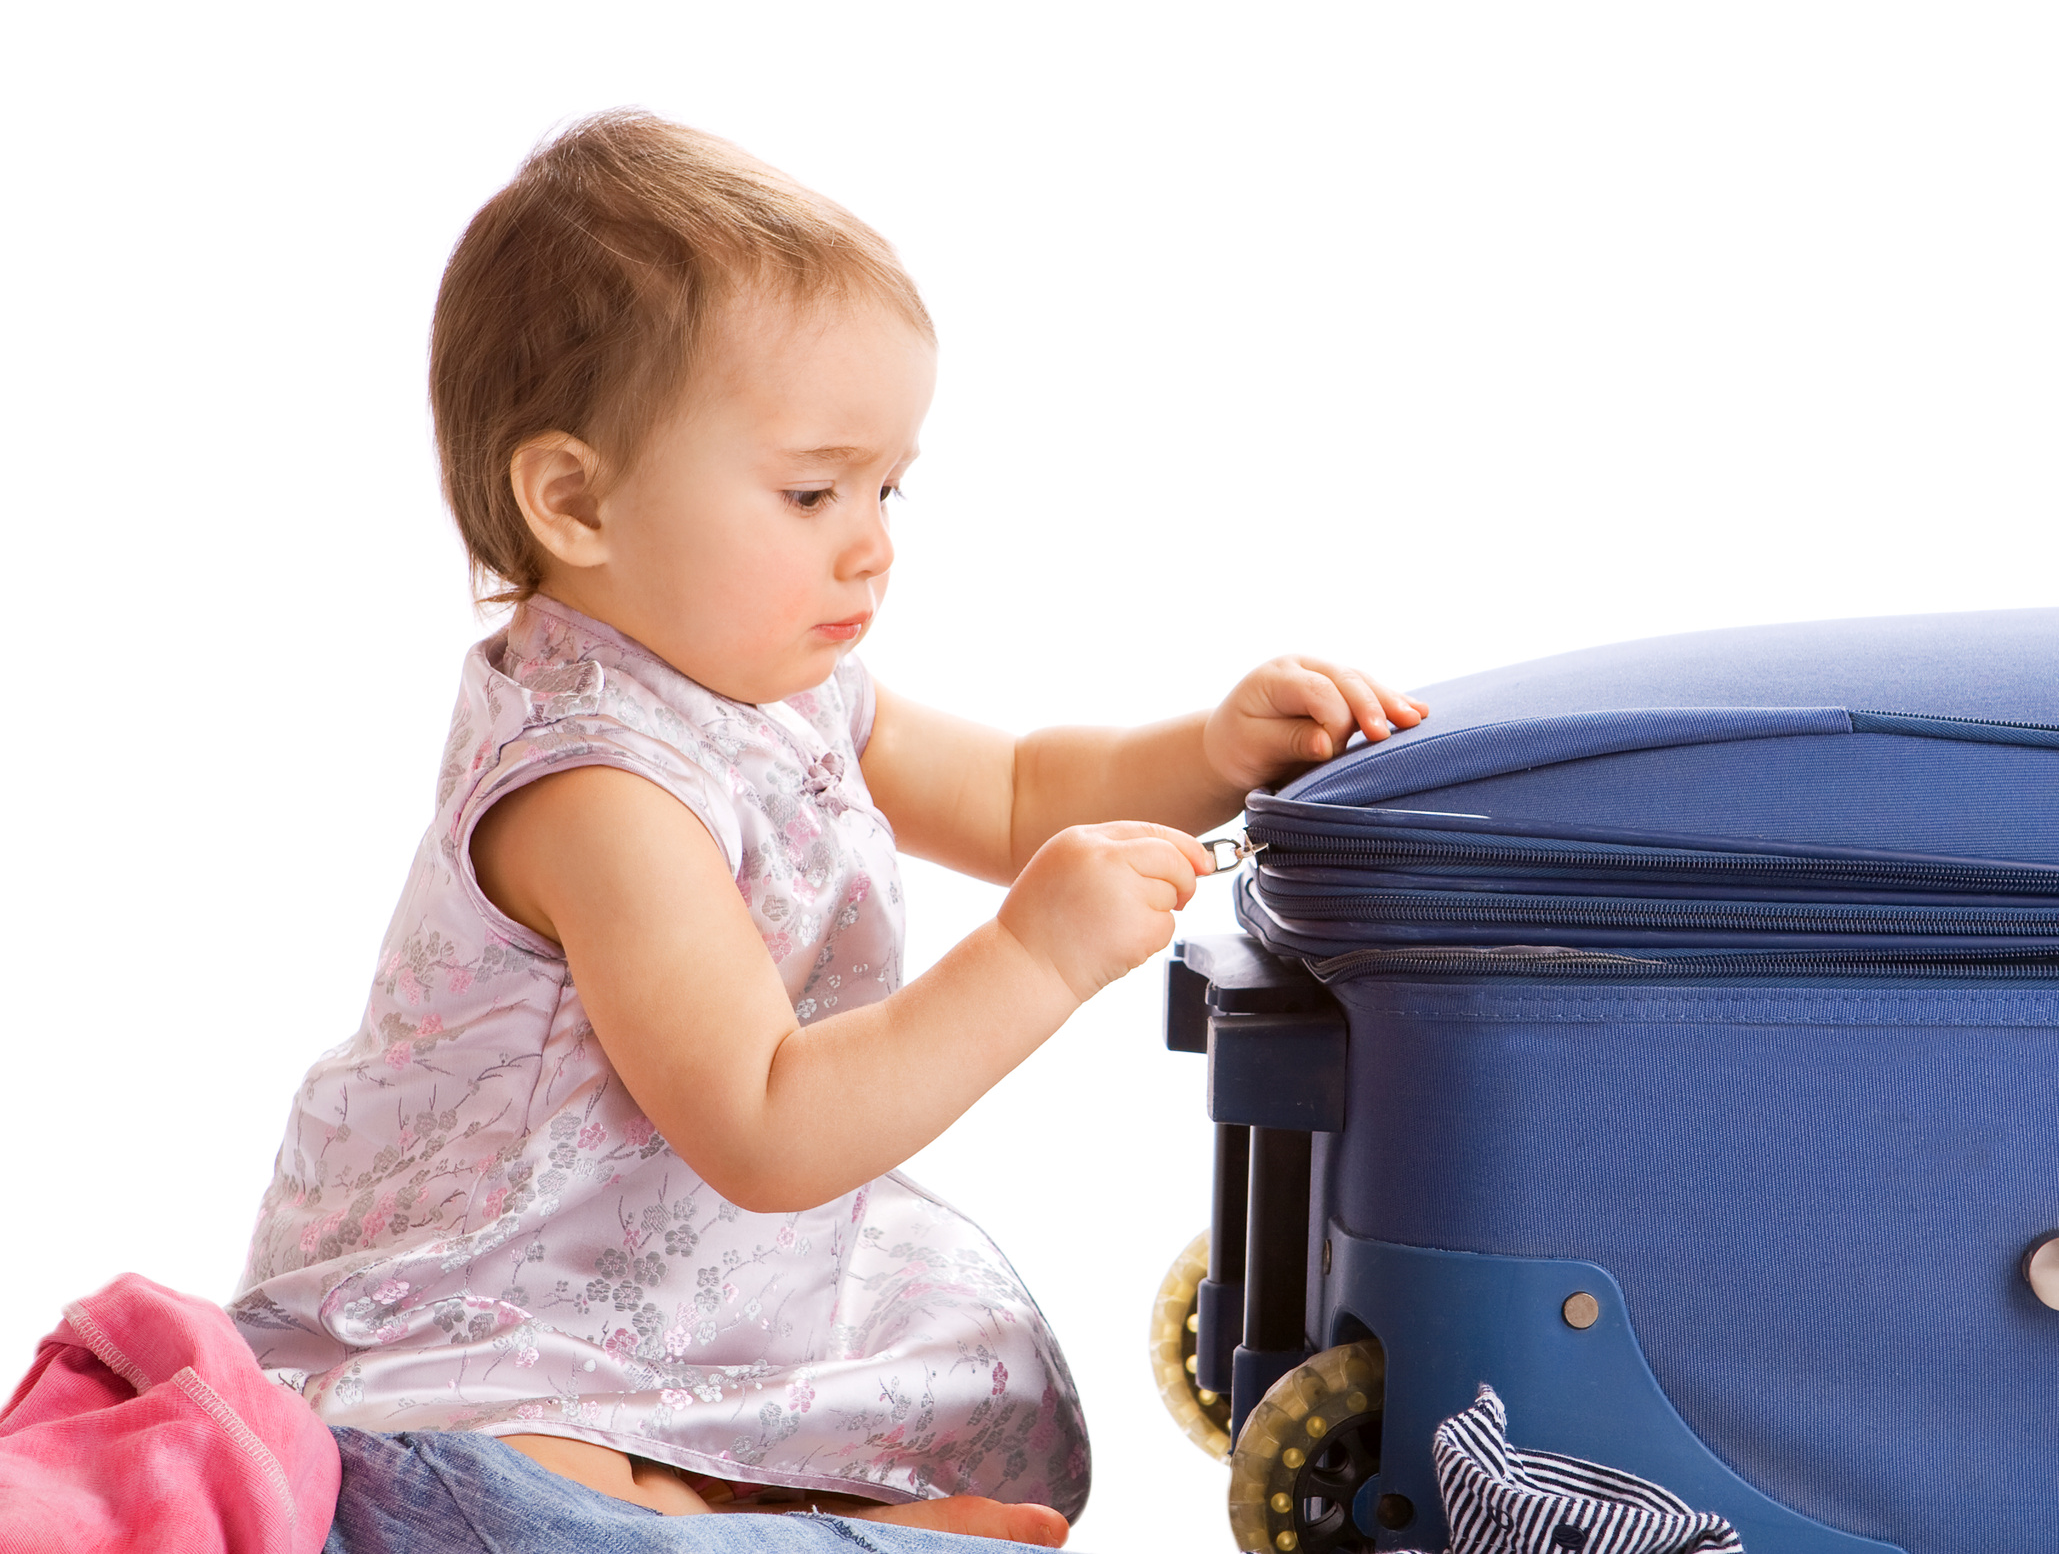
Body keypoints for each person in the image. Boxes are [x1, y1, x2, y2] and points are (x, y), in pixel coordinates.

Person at [231, 110, 1426, 1551]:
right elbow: (767, 1127)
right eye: (811, 492)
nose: (873, 544)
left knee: (945, 1386)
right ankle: (728, 1517)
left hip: (695, 1293)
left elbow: (1014, 791)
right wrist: (1037, 957)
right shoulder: (597, 790)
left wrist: (1214, 752)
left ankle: (760, 1508)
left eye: (886, 486)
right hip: (499, 1310)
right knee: (491, 1493)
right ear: (575, 500)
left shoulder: (782, 688)